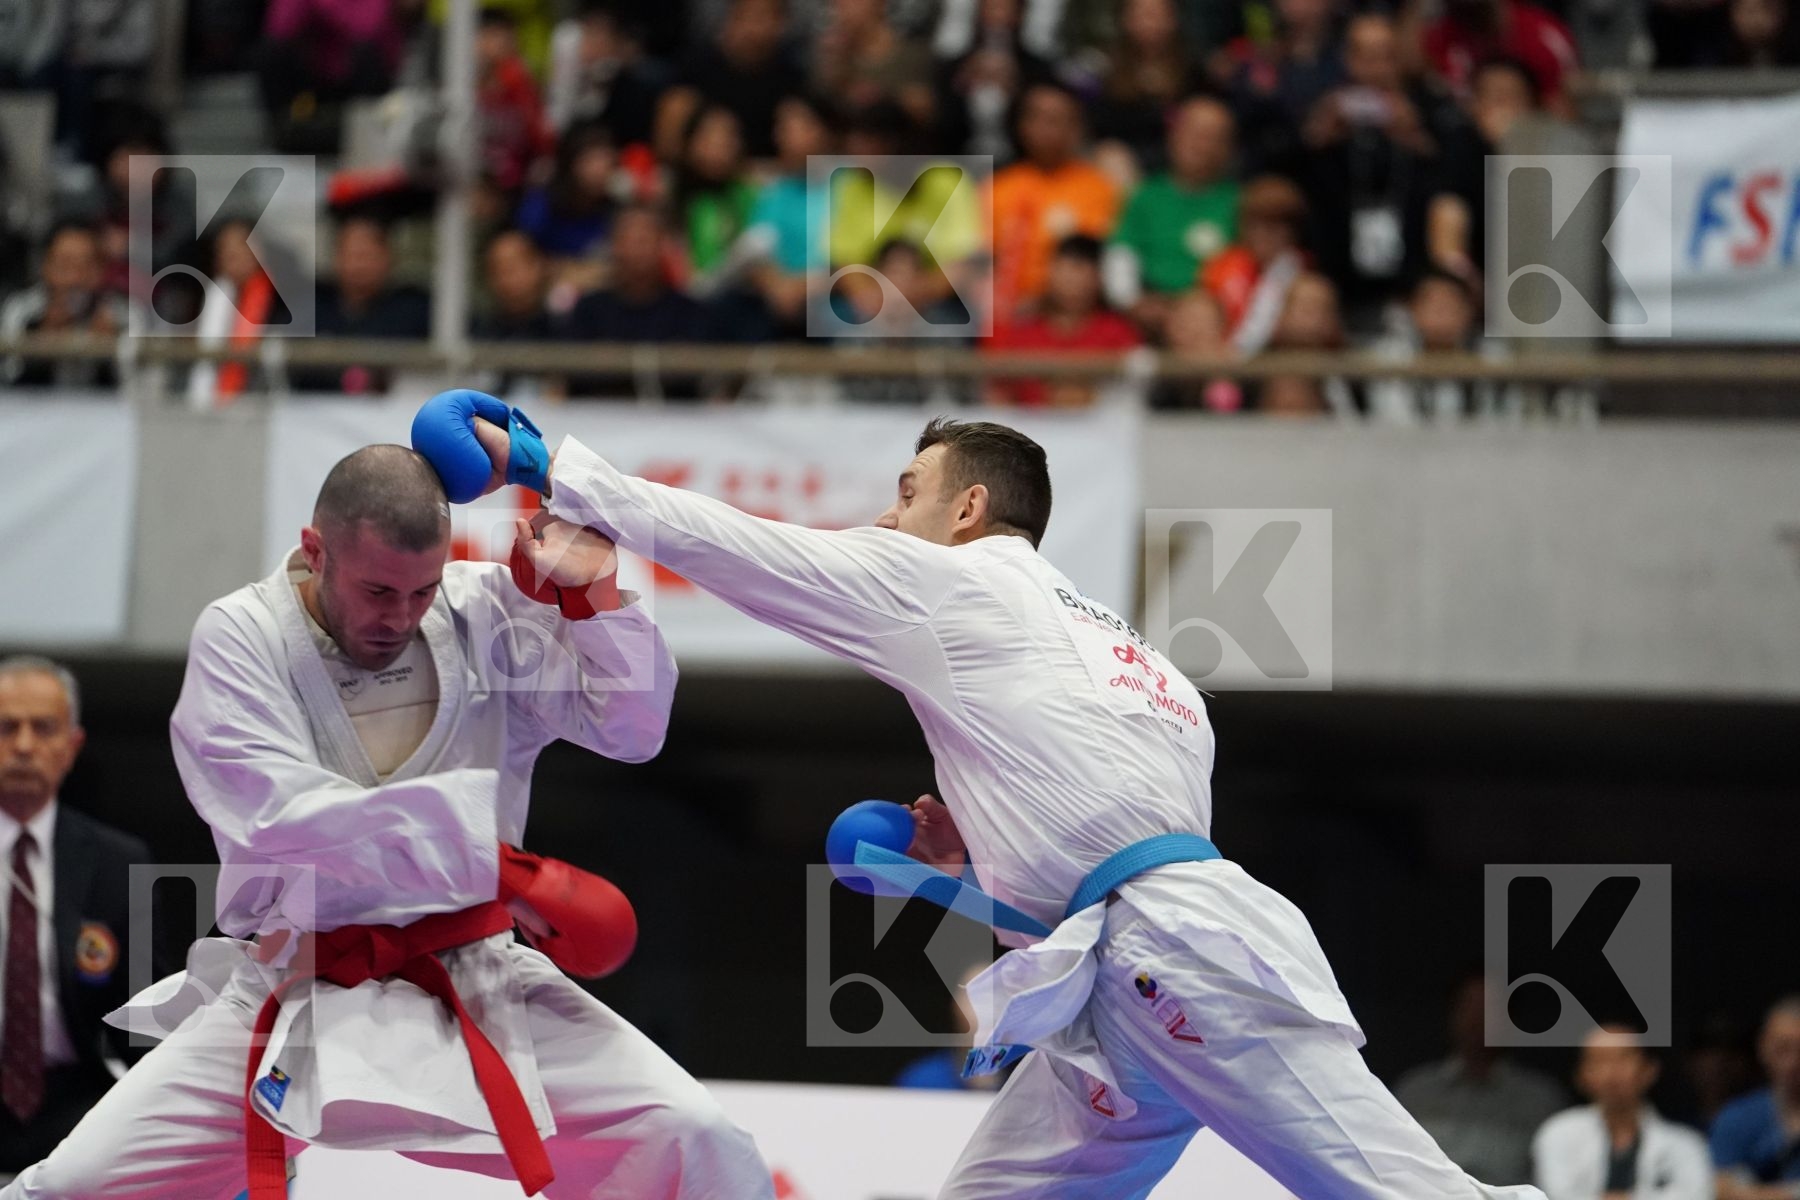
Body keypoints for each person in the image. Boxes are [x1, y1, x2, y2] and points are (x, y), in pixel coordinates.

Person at [459, 408, 1551, 1199]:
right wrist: (973, 864)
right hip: (1124, 971)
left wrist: (557, 467)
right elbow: (1108, 850)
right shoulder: (1145, 664)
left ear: (968, 508)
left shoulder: (960, 581)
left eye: (906, 492)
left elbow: (756, 554)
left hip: (1179, 961)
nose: (887, 520)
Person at [0, 445, 773, 1199]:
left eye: (421, 590)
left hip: (474, 975)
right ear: (316, 550)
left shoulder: (482, 610)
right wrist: (493, 864)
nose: (399, 616)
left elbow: (632, 731)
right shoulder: (242, 636)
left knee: (697, 1139)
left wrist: (592, 600)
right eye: (377, 591)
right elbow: (280, 818)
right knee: (70, 1186)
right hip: (292, 982)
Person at [0, 658, 158, 1176]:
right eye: (6, 727)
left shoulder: (118, 862)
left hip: (75, 1099)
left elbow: (142, 1018)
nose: (23, 746)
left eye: (42, 728)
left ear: (72, 745)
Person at [1397, 972, 1570, 1187]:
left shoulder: (1542, 1099)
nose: (1479, 1017)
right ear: (1452, 1013)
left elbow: (1556, 1179)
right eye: (1470, 1006)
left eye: (1491, 1008)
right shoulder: (1414, 1091)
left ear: (1512, 1019)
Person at [1532, 1027, 1713, 1200]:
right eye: (1599, 1060)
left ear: (1650, 1069)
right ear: (1582, 1074)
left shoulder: (1686, 1144)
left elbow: (1695, 1196)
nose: (1612, 1072)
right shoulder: (1558, 1132)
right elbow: (1555, 1195)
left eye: (1623, 1058)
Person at [1710, 996, 1800, 1199]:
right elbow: (1722, 1189)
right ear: (1763, 1048)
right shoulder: (1737, 1117)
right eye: (1783, 1048)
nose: (1793, 1061)